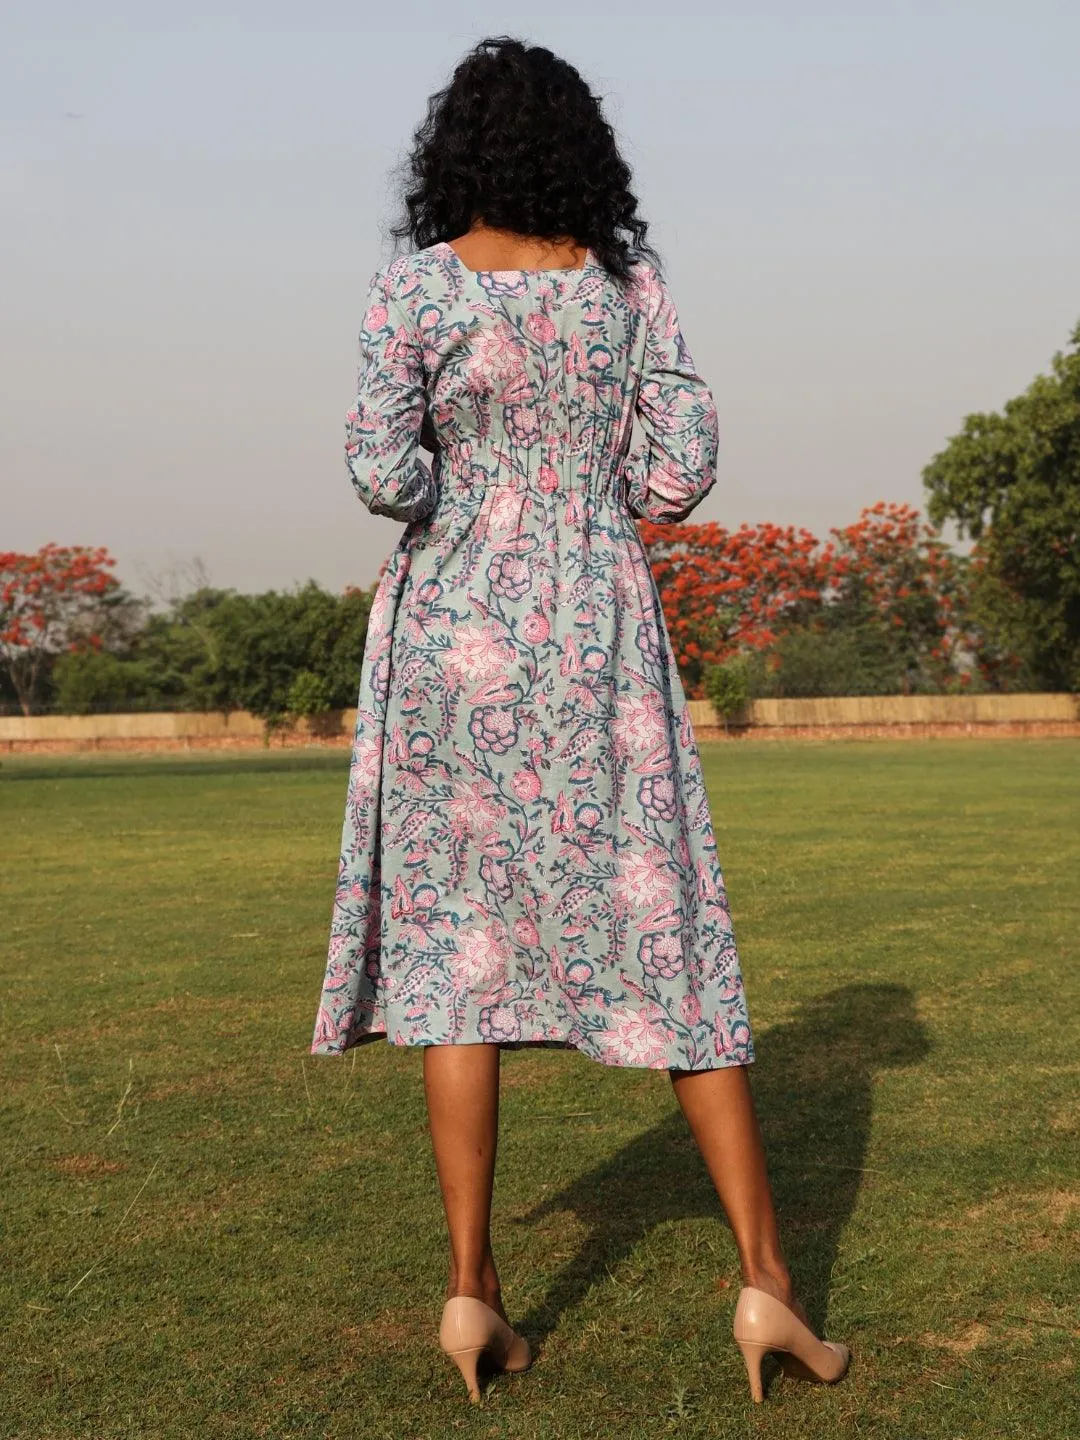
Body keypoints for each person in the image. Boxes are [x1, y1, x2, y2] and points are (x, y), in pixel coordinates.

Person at [310, 34, 850, 1406]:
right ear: (582, 154)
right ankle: (766, 1284)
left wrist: (471, 477)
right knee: (665, 920)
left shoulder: (414, 290)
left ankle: (472, 1292)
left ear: (453, 155)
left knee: (457, 951)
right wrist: (574, 481)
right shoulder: (628, 289)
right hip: (596, 626)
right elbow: (678, 473)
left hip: (451, 635)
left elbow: (380, 469)